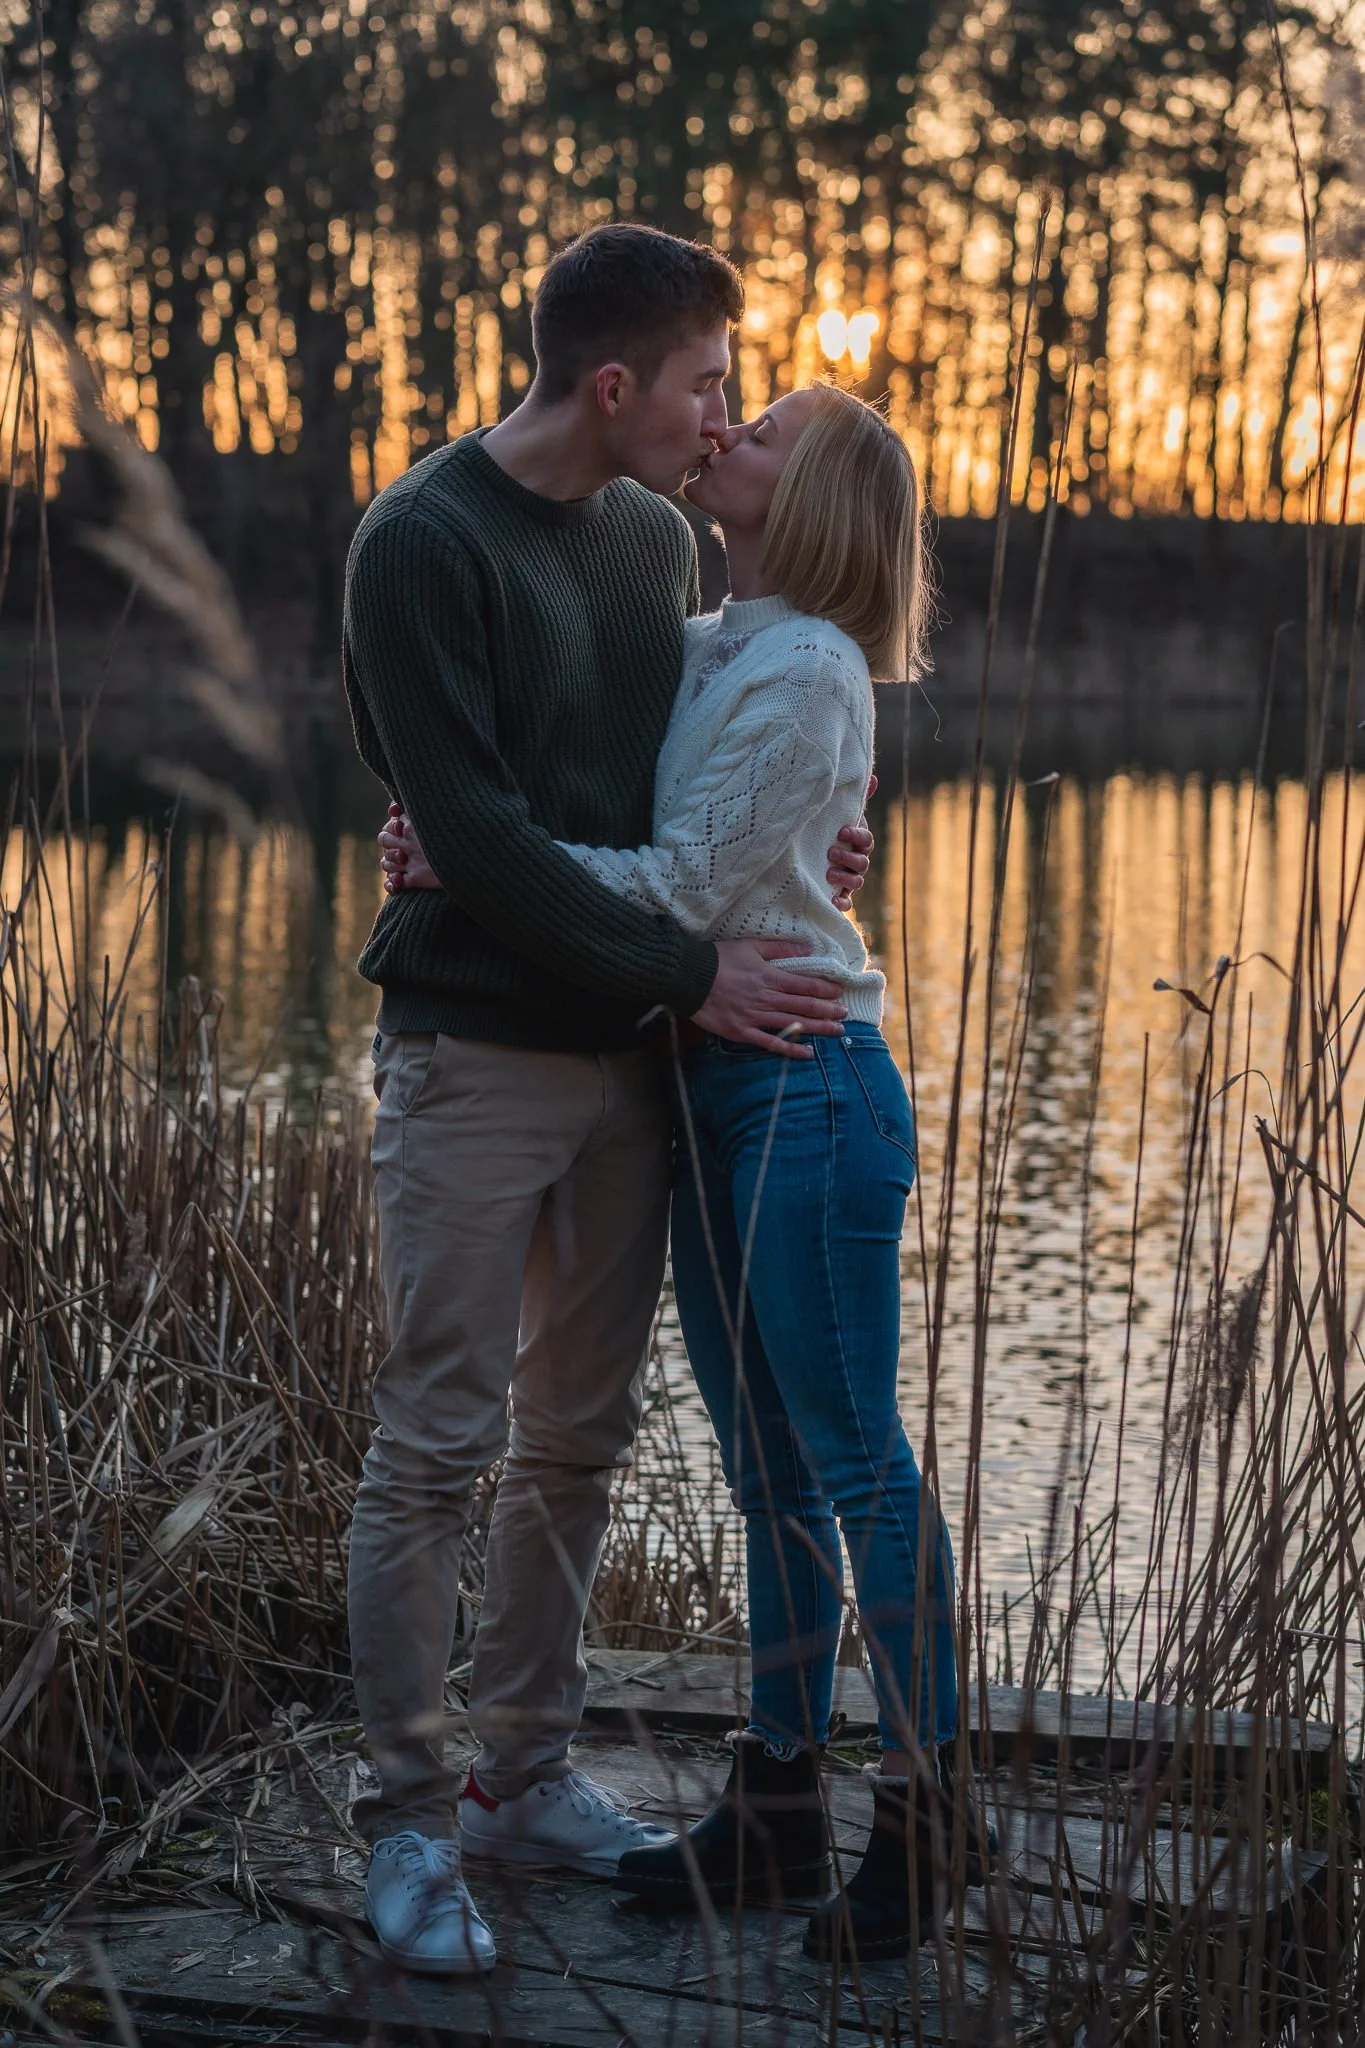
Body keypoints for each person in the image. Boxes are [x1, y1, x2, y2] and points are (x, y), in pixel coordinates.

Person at [383, 382, 986, 1967]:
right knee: (766, 1477)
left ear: (822, 501)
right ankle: (777, 1801)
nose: (729, 432)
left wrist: (471, 855)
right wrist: (819, 852)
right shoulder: (718, 635)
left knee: (855, 1466)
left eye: (766, 431)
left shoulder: (805, 665)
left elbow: (668, 880)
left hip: (806, 1089)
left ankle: (930, 1814)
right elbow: (696, 829)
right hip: (704, 1084)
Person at [341, 221, 874, 1978]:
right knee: (437, 1446)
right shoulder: (419, 542)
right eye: (712, 381)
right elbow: (475, 834)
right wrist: (696, 972)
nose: (725, 417)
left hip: (633, 1073)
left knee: (577, 1443)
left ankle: (526, 1776)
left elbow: (708, 781)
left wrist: (811, 851)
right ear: (619, 381)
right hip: (479, 1058)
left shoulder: (658, 545)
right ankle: (406, 1831)